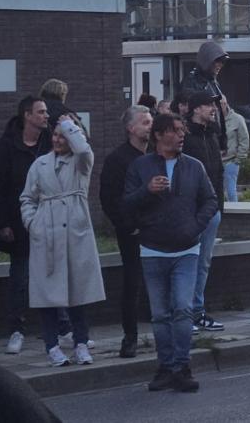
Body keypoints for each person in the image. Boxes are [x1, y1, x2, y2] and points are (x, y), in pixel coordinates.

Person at [125, 112, 219, 393]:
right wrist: (147, 191)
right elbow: (126, 203)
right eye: (176, 130)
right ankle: (165, 367)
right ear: (159, 135)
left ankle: (182, 366)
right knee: (160, 314)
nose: (181, 135)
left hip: (186, 249)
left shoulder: (194, 166)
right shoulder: (140, 166)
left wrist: (195, 227)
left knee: (182, 308)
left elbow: (210, 200)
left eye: (183, 130)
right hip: (153, 250)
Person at [19, 115, 104, 367]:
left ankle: (81, 343)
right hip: (47, 232)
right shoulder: (40, 165)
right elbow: (27, 198)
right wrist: (33, 223)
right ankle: (52, 346)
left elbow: (84, 149)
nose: (57, 139)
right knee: (47, 294)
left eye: (63, 135)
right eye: (55, 135)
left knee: (78, 292)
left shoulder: (81, 163)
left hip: (75, 230)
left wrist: (69, 125)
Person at [0, 96, 50, 355]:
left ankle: (63, 326)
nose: (47, 116)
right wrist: (2, 222)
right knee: (20, 277)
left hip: (48, 219)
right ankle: (16, 329)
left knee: (53, 273)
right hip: (18, 220)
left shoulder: (50, 142)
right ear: (27, 115)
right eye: (41, 112)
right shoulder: (7, 147)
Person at [99, 105, 153, 358]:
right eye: (145, 122)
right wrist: (127, 225)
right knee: (132, 282)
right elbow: (109, 198)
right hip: (132, 232)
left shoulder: (156, 156)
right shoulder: (117, 160)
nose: (150, 126)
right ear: (131, 128)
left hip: (157, 230)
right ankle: (129, 336)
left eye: (151, 121)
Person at [182, 91, 225, 333]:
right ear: (196, 108)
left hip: (211, 209)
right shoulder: (187, 137)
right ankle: (185, 311)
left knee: (204, 262)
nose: (213, 109)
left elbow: (217, 172)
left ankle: (197, 310)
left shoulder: (212, 135)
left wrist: (219, 206)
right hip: (192, 211)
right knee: (190, 260)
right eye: (209, 105)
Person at [179, 42, 229, 151]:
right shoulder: (192, 80)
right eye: (217, 61)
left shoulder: (213, 82)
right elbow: (187, 108)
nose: (220, 65)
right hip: (198, 134)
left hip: (211, 134)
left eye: (222, 62)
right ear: (208, 61)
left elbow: (222, 112)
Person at [221, 97, 249, 202]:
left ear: (225, 104)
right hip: (216, 162)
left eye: (220, 104)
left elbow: (244, 140)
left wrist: (238, 160)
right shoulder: (213, 120)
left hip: (231, 161)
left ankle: (235, 216)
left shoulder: (237, 119)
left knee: (231, 192)